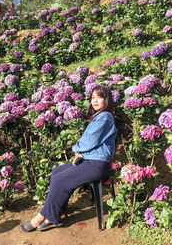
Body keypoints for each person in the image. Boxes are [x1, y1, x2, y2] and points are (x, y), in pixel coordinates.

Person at [21, 85, 118, 232]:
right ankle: (54, 213)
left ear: (107, 99)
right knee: (57, 172)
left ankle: (43, 216)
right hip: (89, 160)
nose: (95, 100)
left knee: (61, 180)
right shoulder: (99, 116)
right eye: (92, 98)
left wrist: (76, 149)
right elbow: (91, 142)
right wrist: (81, 153)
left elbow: (90, 140)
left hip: (97, 164)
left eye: (99, 97)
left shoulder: (105, 116)